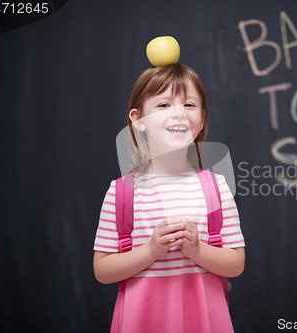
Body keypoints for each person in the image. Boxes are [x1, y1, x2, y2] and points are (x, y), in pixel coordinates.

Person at [93, 63, 245, 332]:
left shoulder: (216, 188)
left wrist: (197, 250)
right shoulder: (121, 192)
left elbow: (235, 263)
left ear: (202, 120)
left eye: (188, 105)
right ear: (138, 120)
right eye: (164, 105)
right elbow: (103, 270)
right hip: (144, 322)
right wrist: (151, 250)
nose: (178, 114)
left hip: (203, 321)